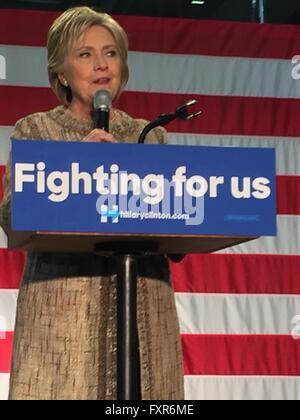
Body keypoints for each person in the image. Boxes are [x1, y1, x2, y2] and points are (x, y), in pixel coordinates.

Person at [0, 7, 184, 400]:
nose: (102, 64)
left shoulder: (148, 136)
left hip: (143, 317)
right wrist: (73, 167)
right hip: (64, 322)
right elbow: (12, 215)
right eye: (85, 54)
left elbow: (179, 222)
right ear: (61, 73)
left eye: (111, 52)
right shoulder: (36, 131)